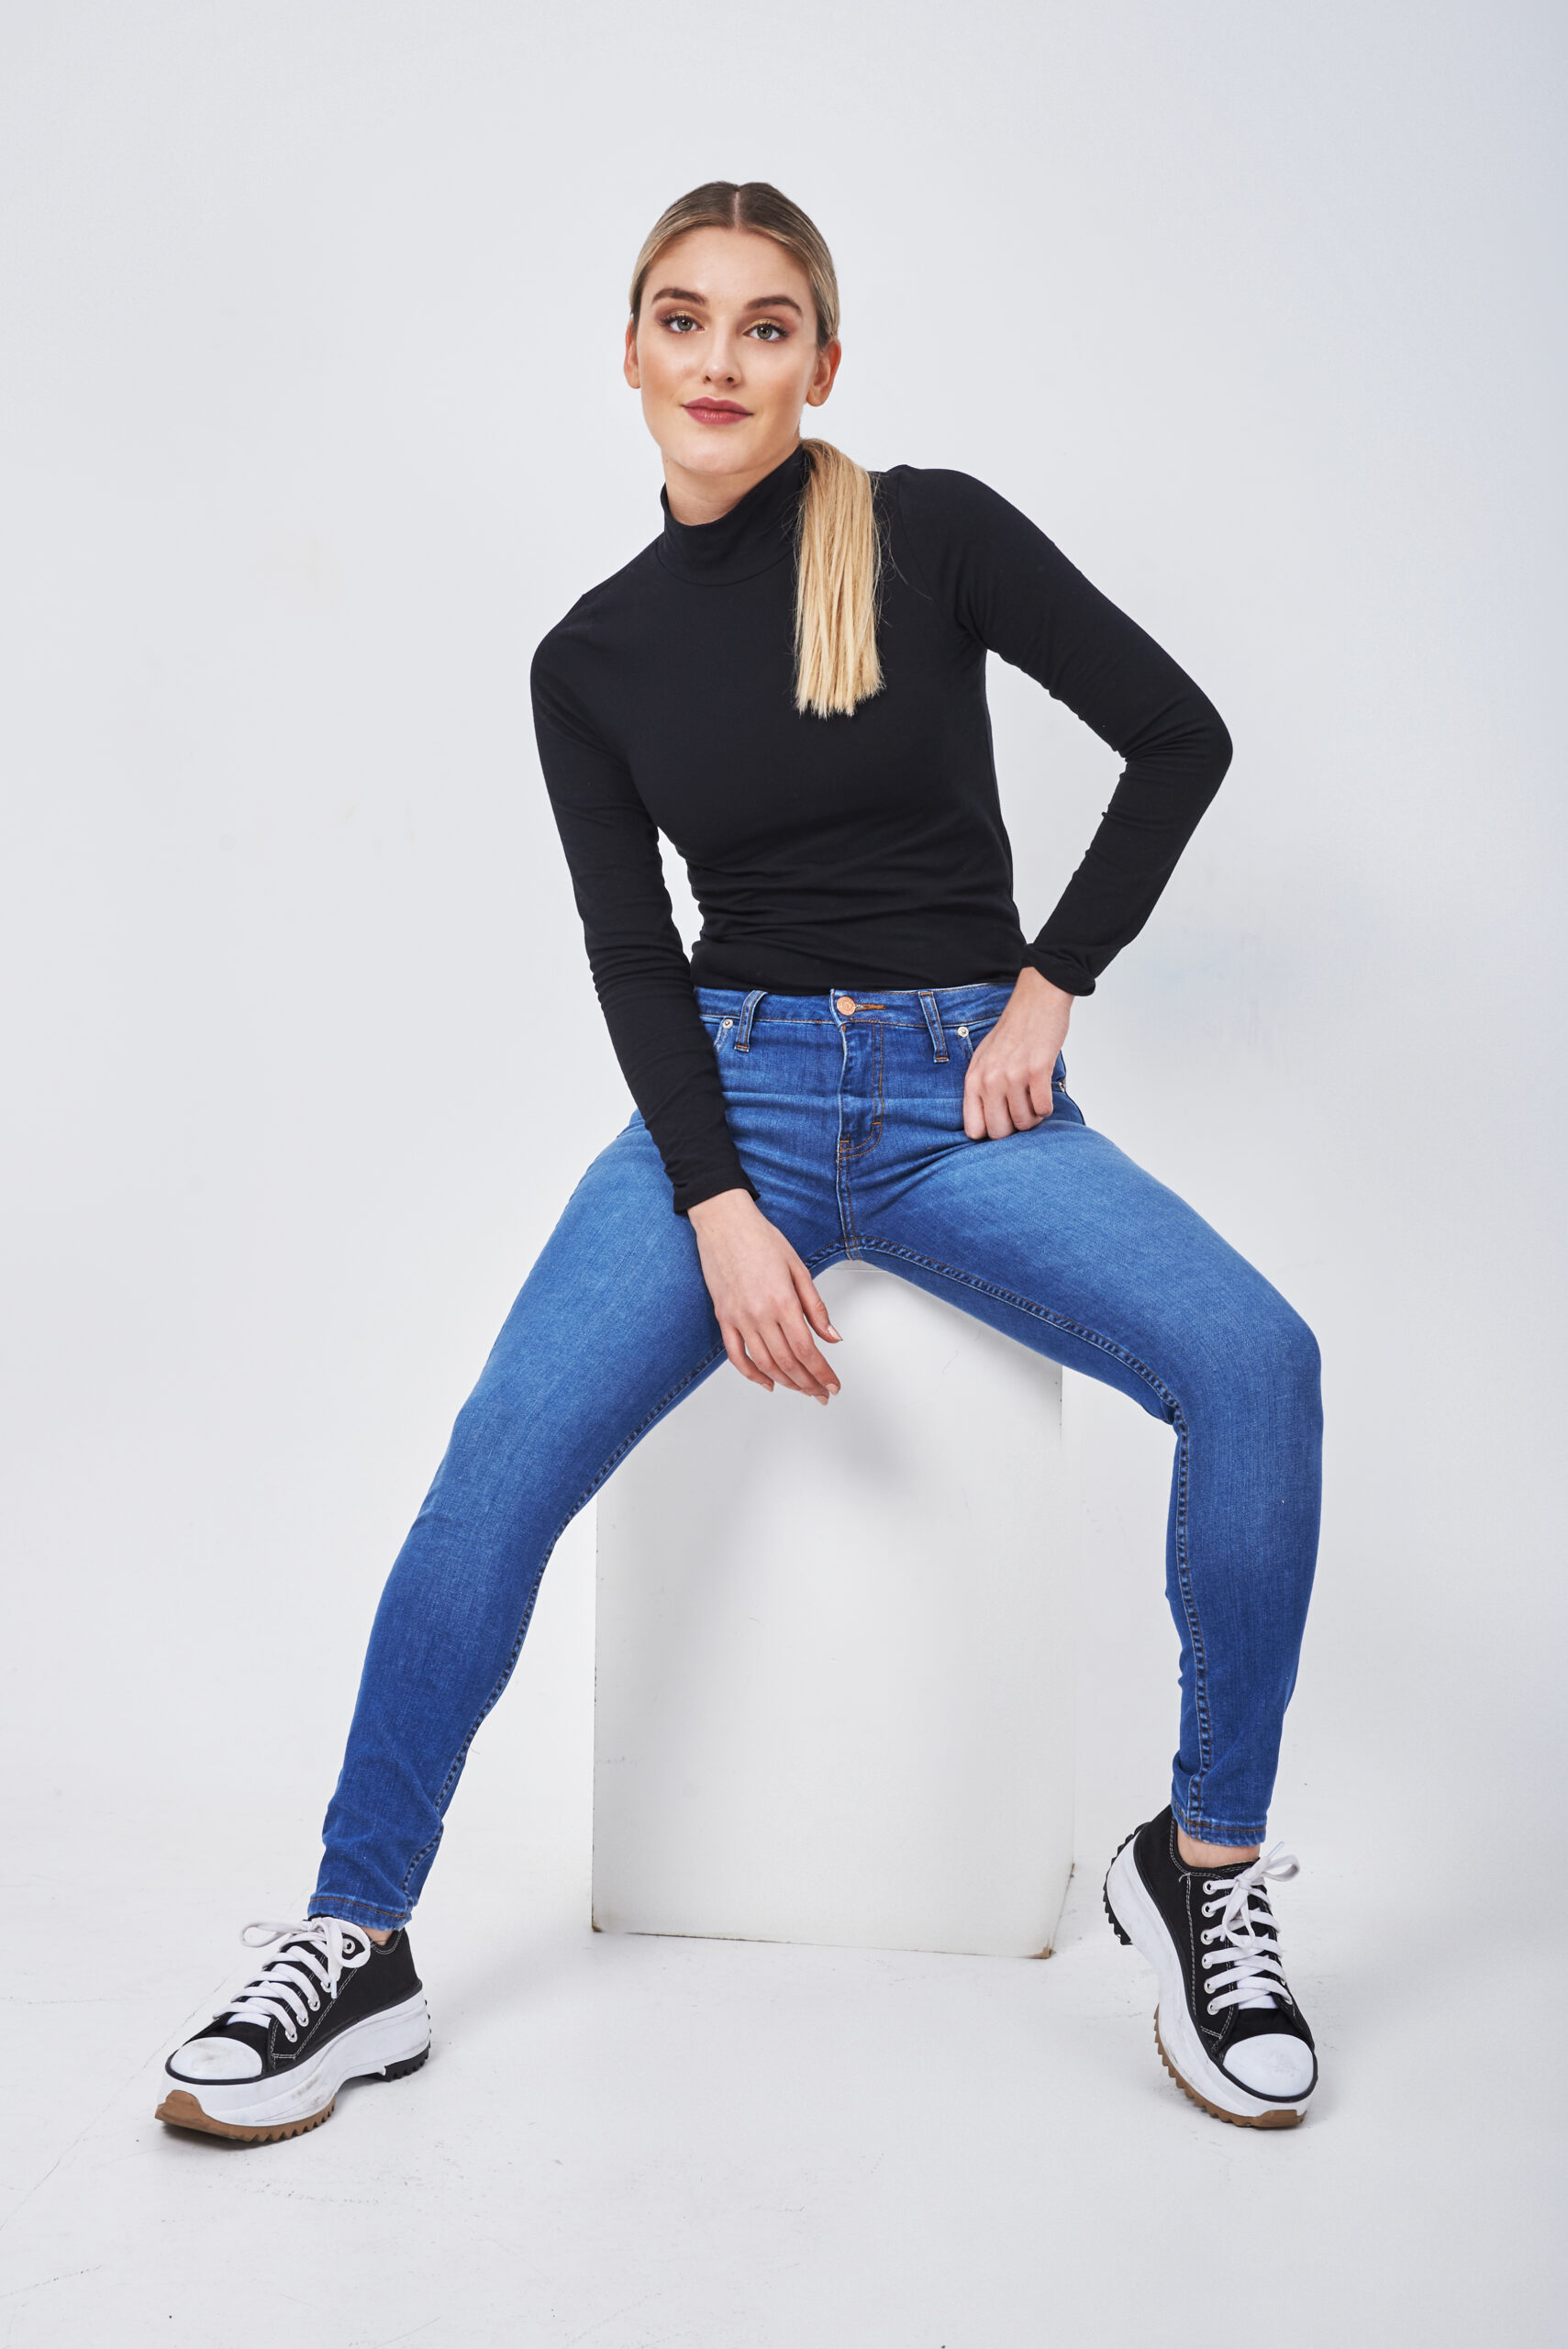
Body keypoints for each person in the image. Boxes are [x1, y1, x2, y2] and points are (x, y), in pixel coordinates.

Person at [157, 181, 1323, 2146]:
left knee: (1258, 1360)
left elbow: (1177, 735)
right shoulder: (589, 657)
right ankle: (355, 1942)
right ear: (630, 351)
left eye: (765, 325)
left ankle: (1204, 1869)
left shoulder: (928, 532)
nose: (719, 359)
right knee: (496, 1470)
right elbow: (634, 954)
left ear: (820, 364)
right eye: (683, 319)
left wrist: (1048, 987)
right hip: (736, 1101)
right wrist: (713, 1199)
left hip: (964, 1095)